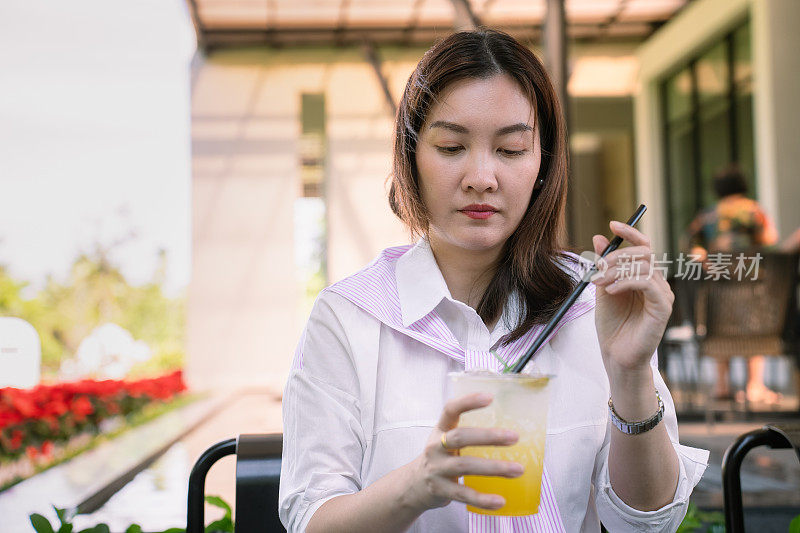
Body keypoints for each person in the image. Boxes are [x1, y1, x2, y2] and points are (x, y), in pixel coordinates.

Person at [280, 29, 708, 532]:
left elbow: (647, 520)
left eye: (509, 150)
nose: (481, 177)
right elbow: (311, 518)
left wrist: (630, 374)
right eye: (452, 146)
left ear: (543, 164)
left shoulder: (591, 305)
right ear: (411, 158)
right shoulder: (349, 317)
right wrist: (415, 485)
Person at [684, 164, 779, 404]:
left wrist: (705, 258)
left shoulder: (708, 214)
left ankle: (722, 385)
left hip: (719, 287)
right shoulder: (753, 211)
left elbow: (689, 243)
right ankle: (754, 385)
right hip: (751, 285)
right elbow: (770, 238)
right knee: (755, 324)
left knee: (719, 326)